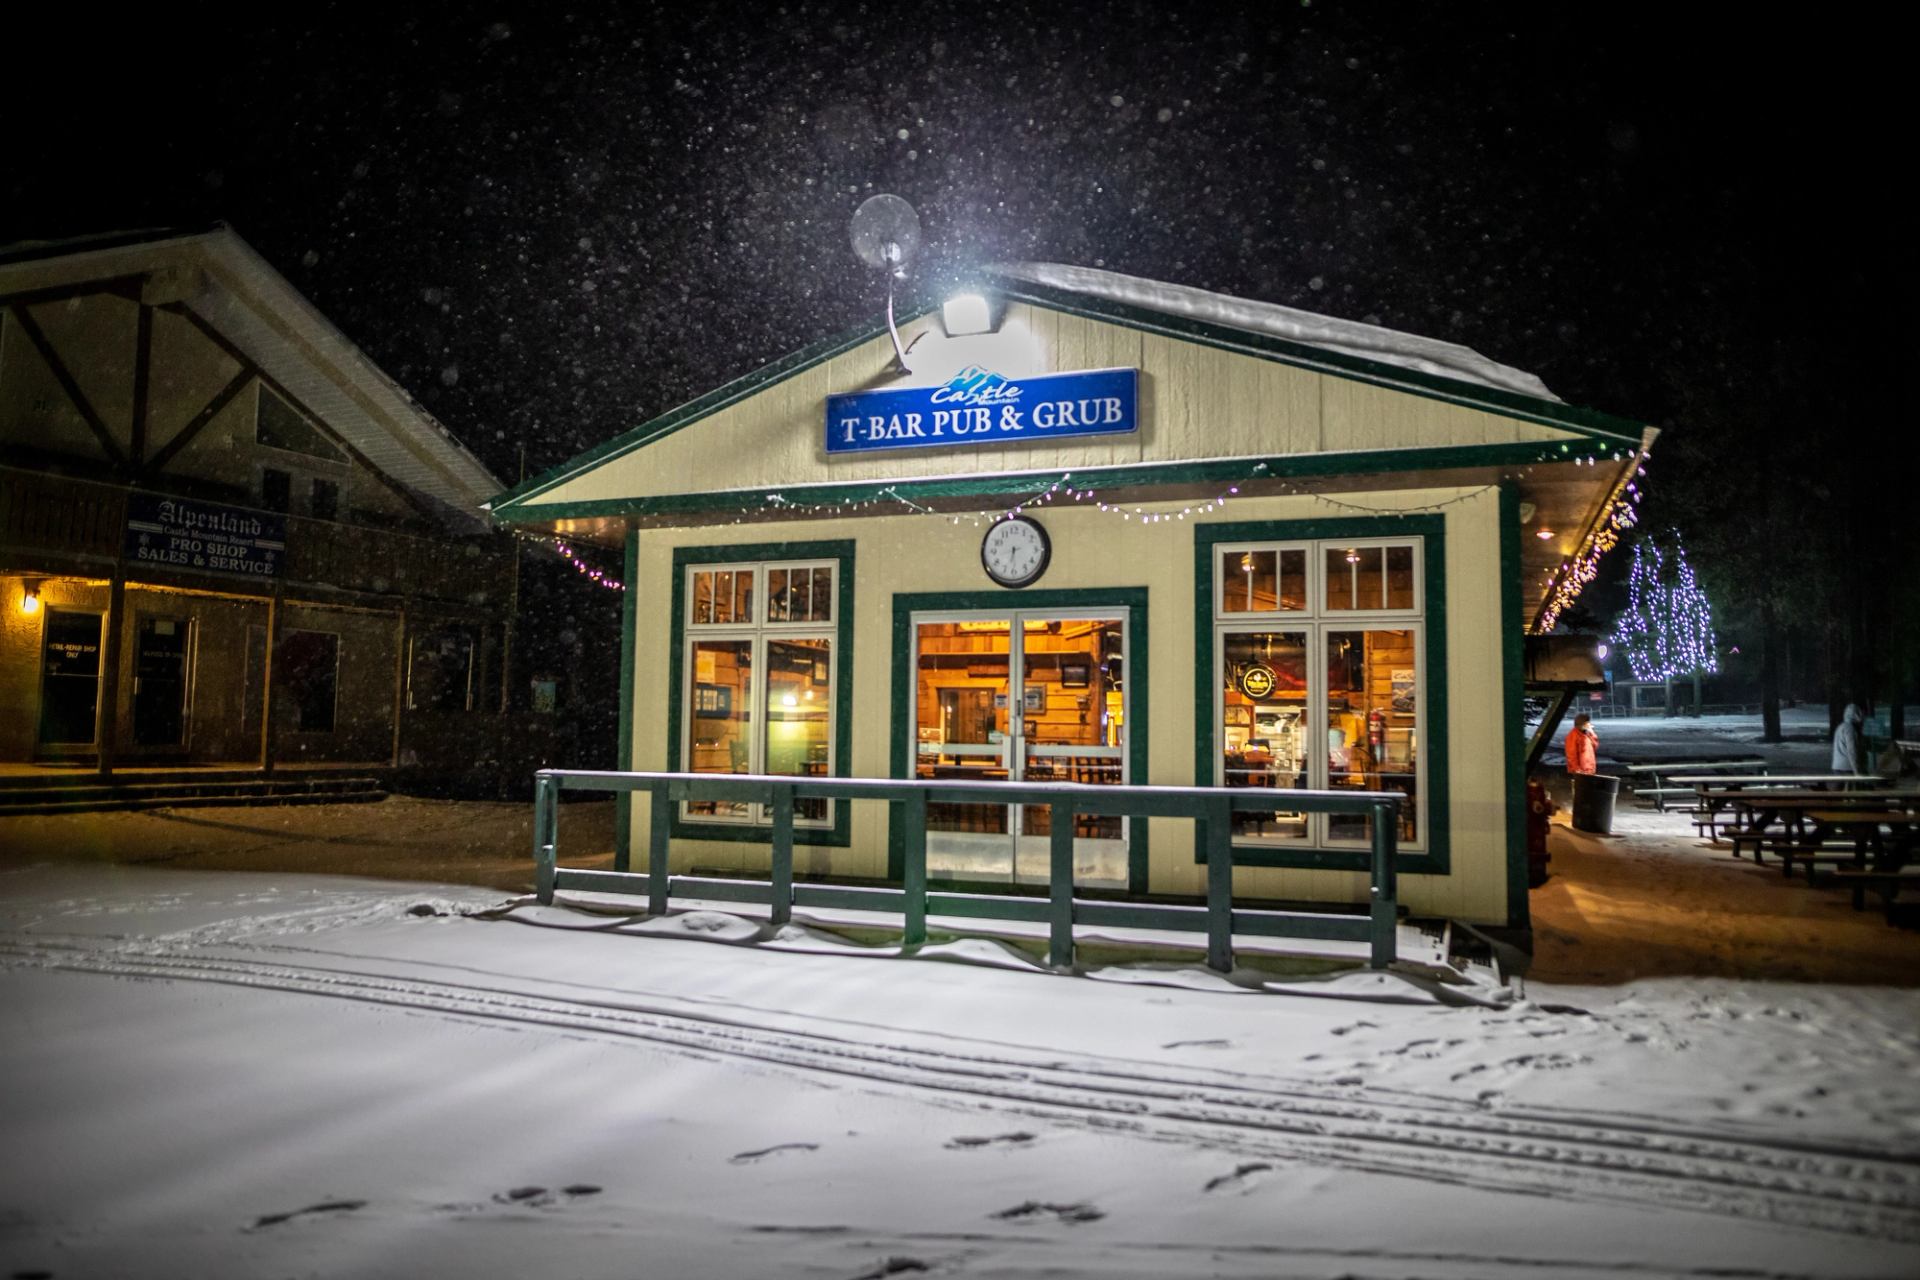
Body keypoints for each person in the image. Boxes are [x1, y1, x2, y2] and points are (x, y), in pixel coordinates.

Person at [1831, 703, 1867, 775]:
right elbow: (1852, 751)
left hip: (1837, 766)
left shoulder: (1840, 727)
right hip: (1847, 768)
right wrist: (1857, 771)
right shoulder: (1850, 729)